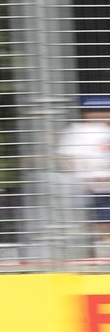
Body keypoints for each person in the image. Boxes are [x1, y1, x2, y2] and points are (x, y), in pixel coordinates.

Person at [59, 95, 110, 244]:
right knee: (93, 216)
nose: (105, 114)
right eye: (98, 110)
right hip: (88, 185)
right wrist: (79, 177)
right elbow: (65, 157)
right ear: (85, 113)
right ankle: (100, 246)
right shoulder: (77, 131)